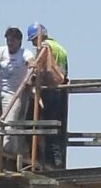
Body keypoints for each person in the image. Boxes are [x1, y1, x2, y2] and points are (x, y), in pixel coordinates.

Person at [26, 22, 70, 169]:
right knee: (56, 126)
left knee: (45, 127)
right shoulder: (60, 47)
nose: (33, 43)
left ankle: (49, 162)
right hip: (60, 89)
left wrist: (33, 81)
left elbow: (43, 69)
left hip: (49, 89)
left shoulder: (45, 47)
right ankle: (57, 161)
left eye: (33, 40)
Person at [0, 26, 32, 170]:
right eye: (8, 40)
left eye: (13, 41)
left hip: (13, 93)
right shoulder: (2, 51)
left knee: (10, 123)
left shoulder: (24, 53)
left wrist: (31, 64)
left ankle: (7, 154)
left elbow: (30, 60)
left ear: (19, 42)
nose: (10, 43)